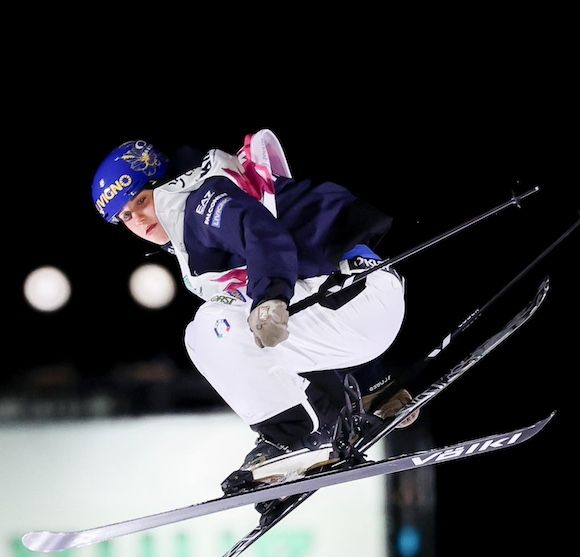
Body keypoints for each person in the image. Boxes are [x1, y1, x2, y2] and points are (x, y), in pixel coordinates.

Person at [91, 131, 415, 500]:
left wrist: (270, 296)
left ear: (163, 183)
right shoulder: (199, 203)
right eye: (126, 216)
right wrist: (378, 388)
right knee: (246, 329)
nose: (140, 219)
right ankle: (354, 403)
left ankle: (292, 440)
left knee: (212, 329)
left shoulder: (200, 202)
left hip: (353, 298)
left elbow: (260, 232)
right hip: (357, 304)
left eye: (143, 200)